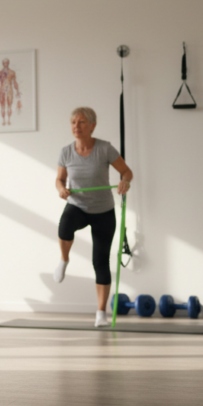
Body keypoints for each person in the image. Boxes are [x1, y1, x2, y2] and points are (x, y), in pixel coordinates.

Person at [54, 107, 134, 327]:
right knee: (64, 226)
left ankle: (100, 313)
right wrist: (61, 189)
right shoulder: (66, 152)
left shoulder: (104, 149)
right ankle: (64, 259)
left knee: (100, 262)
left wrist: (125, 181)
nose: (76, 127)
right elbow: (59, 180)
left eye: (81, 123)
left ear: (92, 126)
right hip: (78, 205)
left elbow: (127, 172)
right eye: (73, 123)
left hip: (103, 212)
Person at [0, 58, 21, 126]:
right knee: (3, 106)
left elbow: (15, 82)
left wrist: (17, 91)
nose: (6, 64)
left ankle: (9, 120)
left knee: (9, 106)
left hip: (10, 90)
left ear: (8, 63)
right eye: (4, 63)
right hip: (2, 90)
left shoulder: (12, 72)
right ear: (3, 64)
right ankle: (3, 121)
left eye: (7, 63)